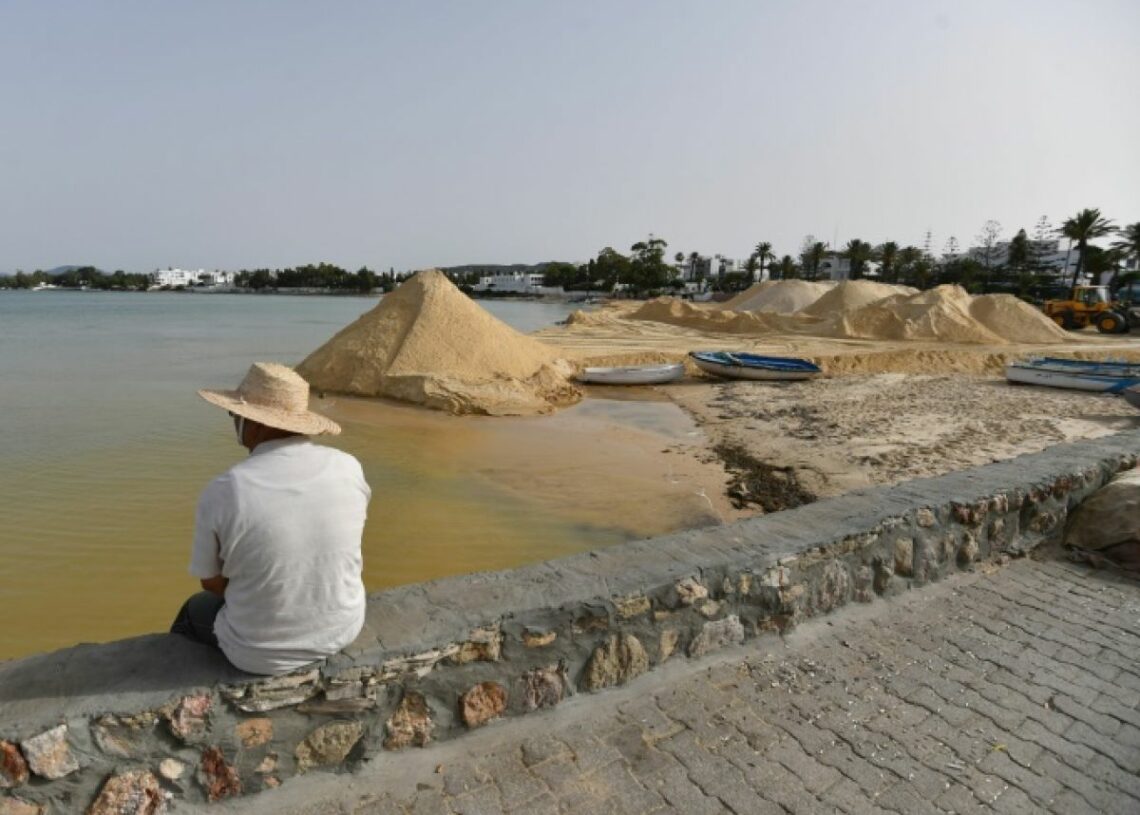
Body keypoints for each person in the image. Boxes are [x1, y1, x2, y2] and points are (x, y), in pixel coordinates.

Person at [171, 362, 370, 675]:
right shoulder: (348, 467)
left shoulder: (226, 490)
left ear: (256, 424)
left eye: (234, 415)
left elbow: (210, 582)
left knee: (193, 610)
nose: (234, 421)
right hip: (343, 629)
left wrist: (264, 591)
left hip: (257, 654)